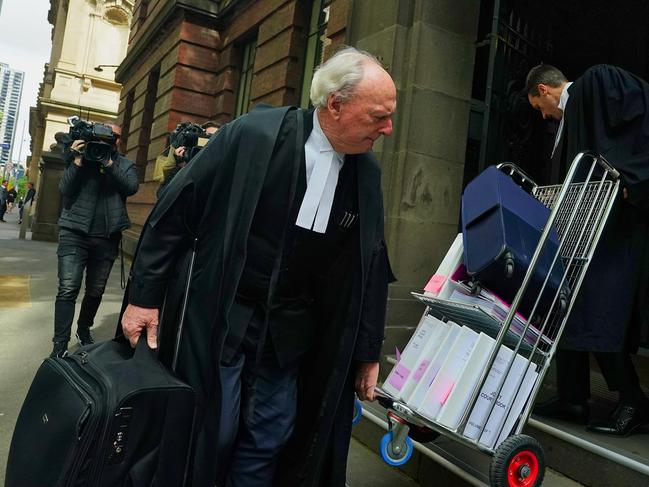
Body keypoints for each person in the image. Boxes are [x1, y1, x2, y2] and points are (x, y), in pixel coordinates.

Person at [120, 46, 396, 486]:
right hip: (226, 315)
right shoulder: (254, 135)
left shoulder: (366, 174)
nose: (387, 127)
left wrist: (366, 352)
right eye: (379, 115)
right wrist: (144, 299)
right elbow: (176, 211)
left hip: (290, 332)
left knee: (272, 434)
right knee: (215, 429)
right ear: (336, 105)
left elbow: (370, 267)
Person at [526, 64, 649, 436]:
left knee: (599, 310)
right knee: (566, 306)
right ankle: (573, 397)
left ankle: (633, 400)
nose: (543, 116)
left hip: (616, 230)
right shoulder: (568, 122)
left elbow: (643, 112)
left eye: (539, 107)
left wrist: (632, 177)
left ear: (545, 90)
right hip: (585, 231)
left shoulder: (598, 81)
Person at [51, 121, 139, 358]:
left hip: (107, 237)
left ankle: (83, 328)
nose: (106, 141)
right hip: (74, 233)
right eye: (101, 137)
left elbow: (131, 187)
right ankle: (59, 345)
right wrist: (78, 160)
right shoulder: (79, 159)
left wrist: (108, 162)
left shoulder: (124, 164)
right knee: (67, 289)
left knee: (95, 291)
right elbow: (65, 189)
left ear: (118, 141)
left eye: (113, 137)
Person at [154, 121, 222, 197]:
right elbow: (162, 195)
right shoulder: (187, 161)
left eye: (214, 137)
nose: (210, 140)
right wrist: (179, 166)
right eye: (207, 136)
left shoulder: (222, 167)